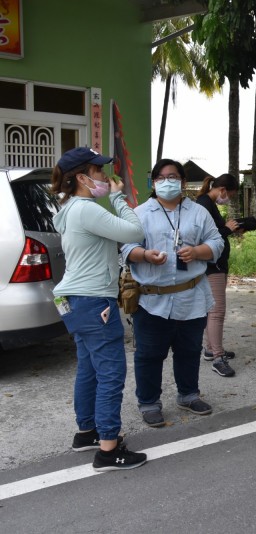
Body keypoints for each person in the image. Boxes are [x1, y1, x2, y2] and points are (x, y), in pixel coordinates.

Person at [51, 147, 147, 471]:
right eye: (98, 171)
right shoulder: (87, 209)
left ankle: (87, 431)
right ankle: (108, 449)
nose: (105, 177)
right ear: (81, 177)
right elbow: (136, 232)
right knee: (111, 373)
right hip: (93, 301)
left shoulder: (69, 209)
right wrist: (119, 199)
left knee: (89, 368)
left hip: (74, 301)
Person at [120, 159, 224, 428]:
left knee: (189, 350)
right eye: (162, 177)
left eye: (174, 176)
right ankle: (149, 403)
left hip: (192, 295)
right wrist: (144, 254)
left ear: (182, 181)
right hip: (152, 299)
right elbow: (124, 248)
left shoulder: (198, 212)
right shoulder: (139, 213)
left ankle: (188, 395)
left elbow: (217, 242)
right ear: (154, 183)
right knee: (149, 354)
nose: (168, 181)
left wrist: (198, 251)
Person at [195, 173, 240, 378]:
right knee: (216, 311)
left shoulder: (207, 203)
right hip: (212, 265)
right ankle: (218, 358)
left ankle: (210, 348)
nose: (228, 198)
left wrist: (227, 229)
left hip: (215, 264)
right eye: (229, 194)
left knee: (210, 309)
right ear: (222, 190)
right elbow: (204, 237)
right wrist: (227, 230)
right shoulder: (204, 204)